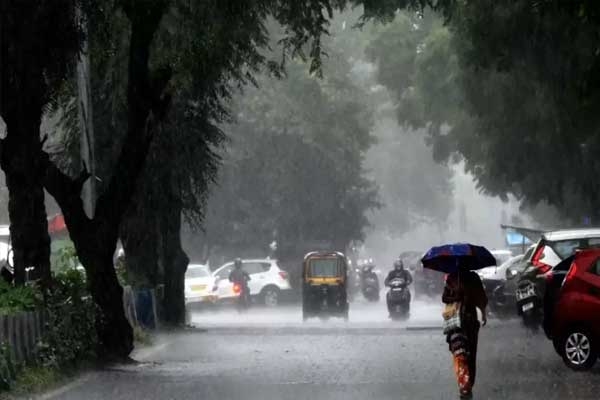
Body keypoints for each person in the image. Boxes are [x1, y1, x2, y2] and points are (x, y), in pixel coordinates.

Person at [442, 270, 488, 399]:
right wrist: (458, 296)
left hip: (467, 320)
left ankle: (465, 384)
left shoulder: (456, 277)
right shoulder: (454, 277)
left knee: (462, 353)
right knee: (465, 352)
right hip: (460, 320)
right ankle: (466, 384)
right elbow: (445, 297)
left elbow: (481, 298)